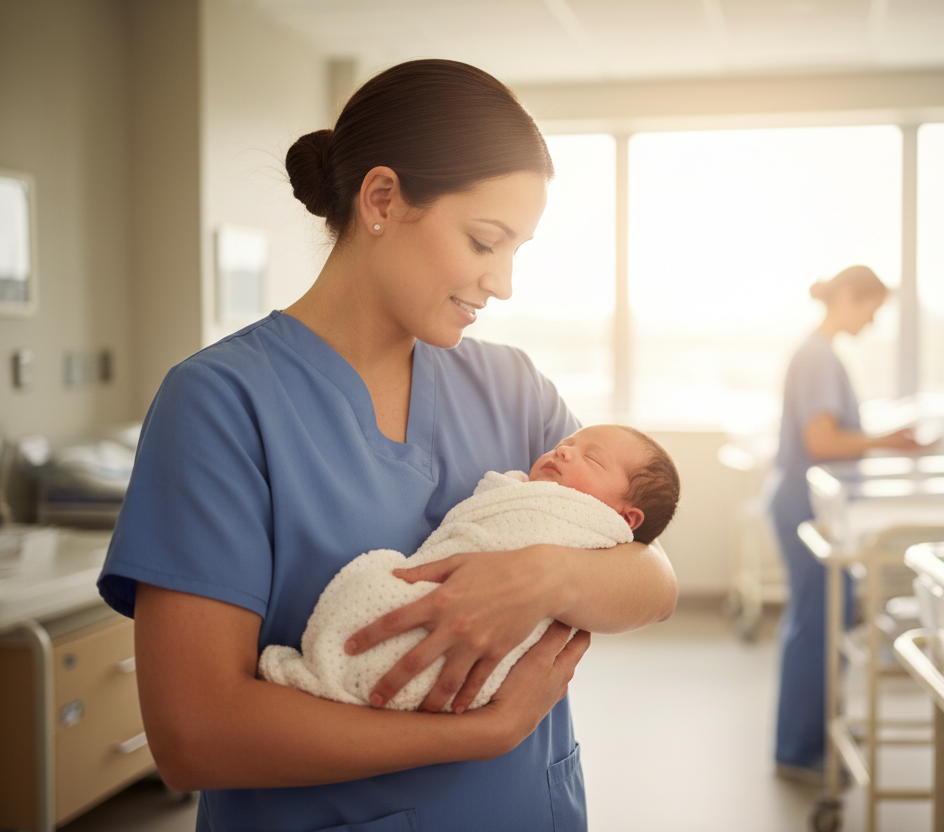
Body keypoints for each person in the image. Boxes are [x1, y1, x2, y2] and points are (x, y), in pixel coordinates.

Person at [97, 59, 678, 832]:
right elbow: (195, 734)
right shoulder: (222, 403)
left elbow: (652, 580)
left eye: (517, 250)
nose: (502, 282)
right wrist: (480, 734)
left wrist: (544, 575)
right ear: (381, 199)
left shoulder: (512, 386)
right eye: (484, 240)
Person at [259, 423, 681, 713]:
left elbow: (660, 586)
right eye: (565, 443)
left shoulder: (587, 519)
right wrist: (491, 733)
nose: (564, 449)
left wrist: (549, 572)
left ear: (627, 519)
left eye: (593, 458)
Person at [767, 265, 921, 781]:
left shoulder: (821, 354)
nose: (873, 323)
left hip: (810, 502)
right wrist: (889, 441)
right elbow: (824, 441)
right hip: (805, 504)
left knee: (824, 615)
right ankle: (799, 747)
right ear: (851, 298)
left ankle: (814, 729)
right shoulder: (817, 356)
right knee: (816, 621)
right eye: (872, 310)